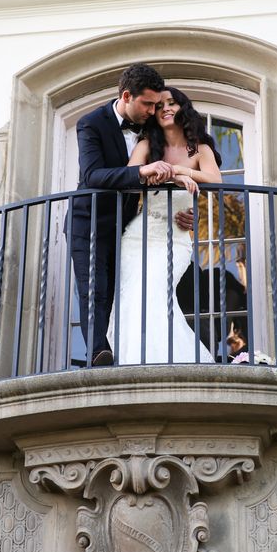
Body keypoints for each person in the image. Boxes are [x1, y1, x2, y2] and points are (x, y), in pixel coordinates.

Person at [69, 64, 193, 367]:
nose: (153, 110)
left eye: (156, 104)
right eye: (147, 103)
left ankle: (128, 352)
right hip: (90, 222)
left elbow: (170, 169)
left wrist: (181, 210)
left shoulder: (150, 129)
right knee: (94, 290)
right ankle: (98, 354)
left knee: (123, 292)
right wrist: (141, 171)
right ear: (126, 95)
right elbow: (93, 175)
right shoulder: (91, 123)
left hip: (130, 227)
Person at [107, 87, 222, 364]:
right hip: (138, 236)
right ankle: (129, 361)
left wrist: (179, 171)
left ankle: (166, 363)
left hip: (176, 236)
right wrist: (154, 172)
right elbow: (129, 176)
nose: (166, 109)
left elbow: (215, 181)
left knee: (157, 293)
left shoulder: (198, 149)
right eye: (159, 106)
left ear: (184, 108)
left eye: (172, 103)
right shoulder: (147, 146)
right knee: (130, 298)